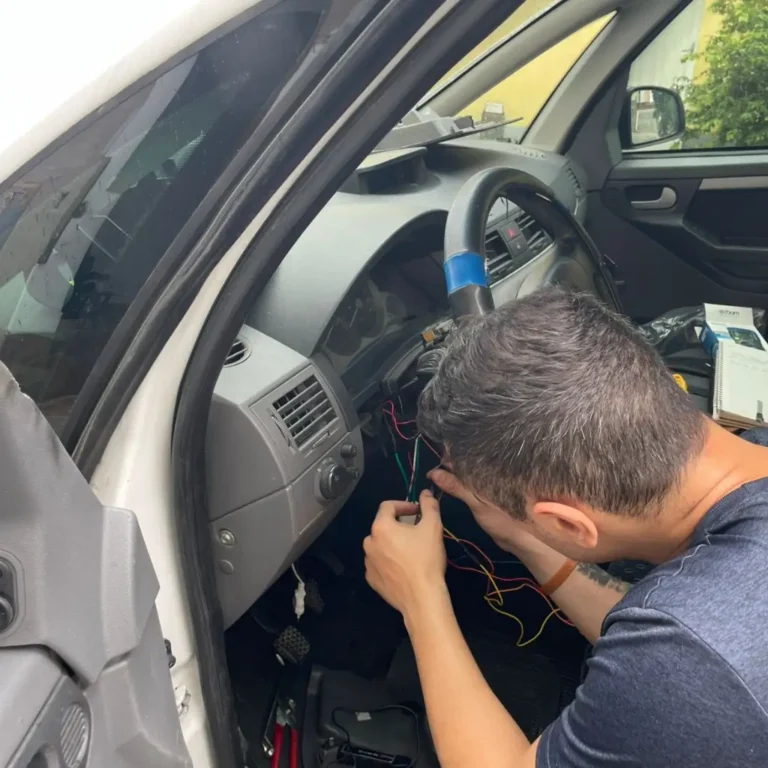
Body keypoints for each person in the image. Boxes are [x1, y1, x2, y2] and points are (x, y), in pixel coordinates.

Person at [363, 289, 768, 768]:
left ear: (567, 523)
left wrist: (420, 596)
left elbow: (687, 657)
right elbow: (692, 634)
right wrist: (527, 538)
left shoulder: (687, 661)